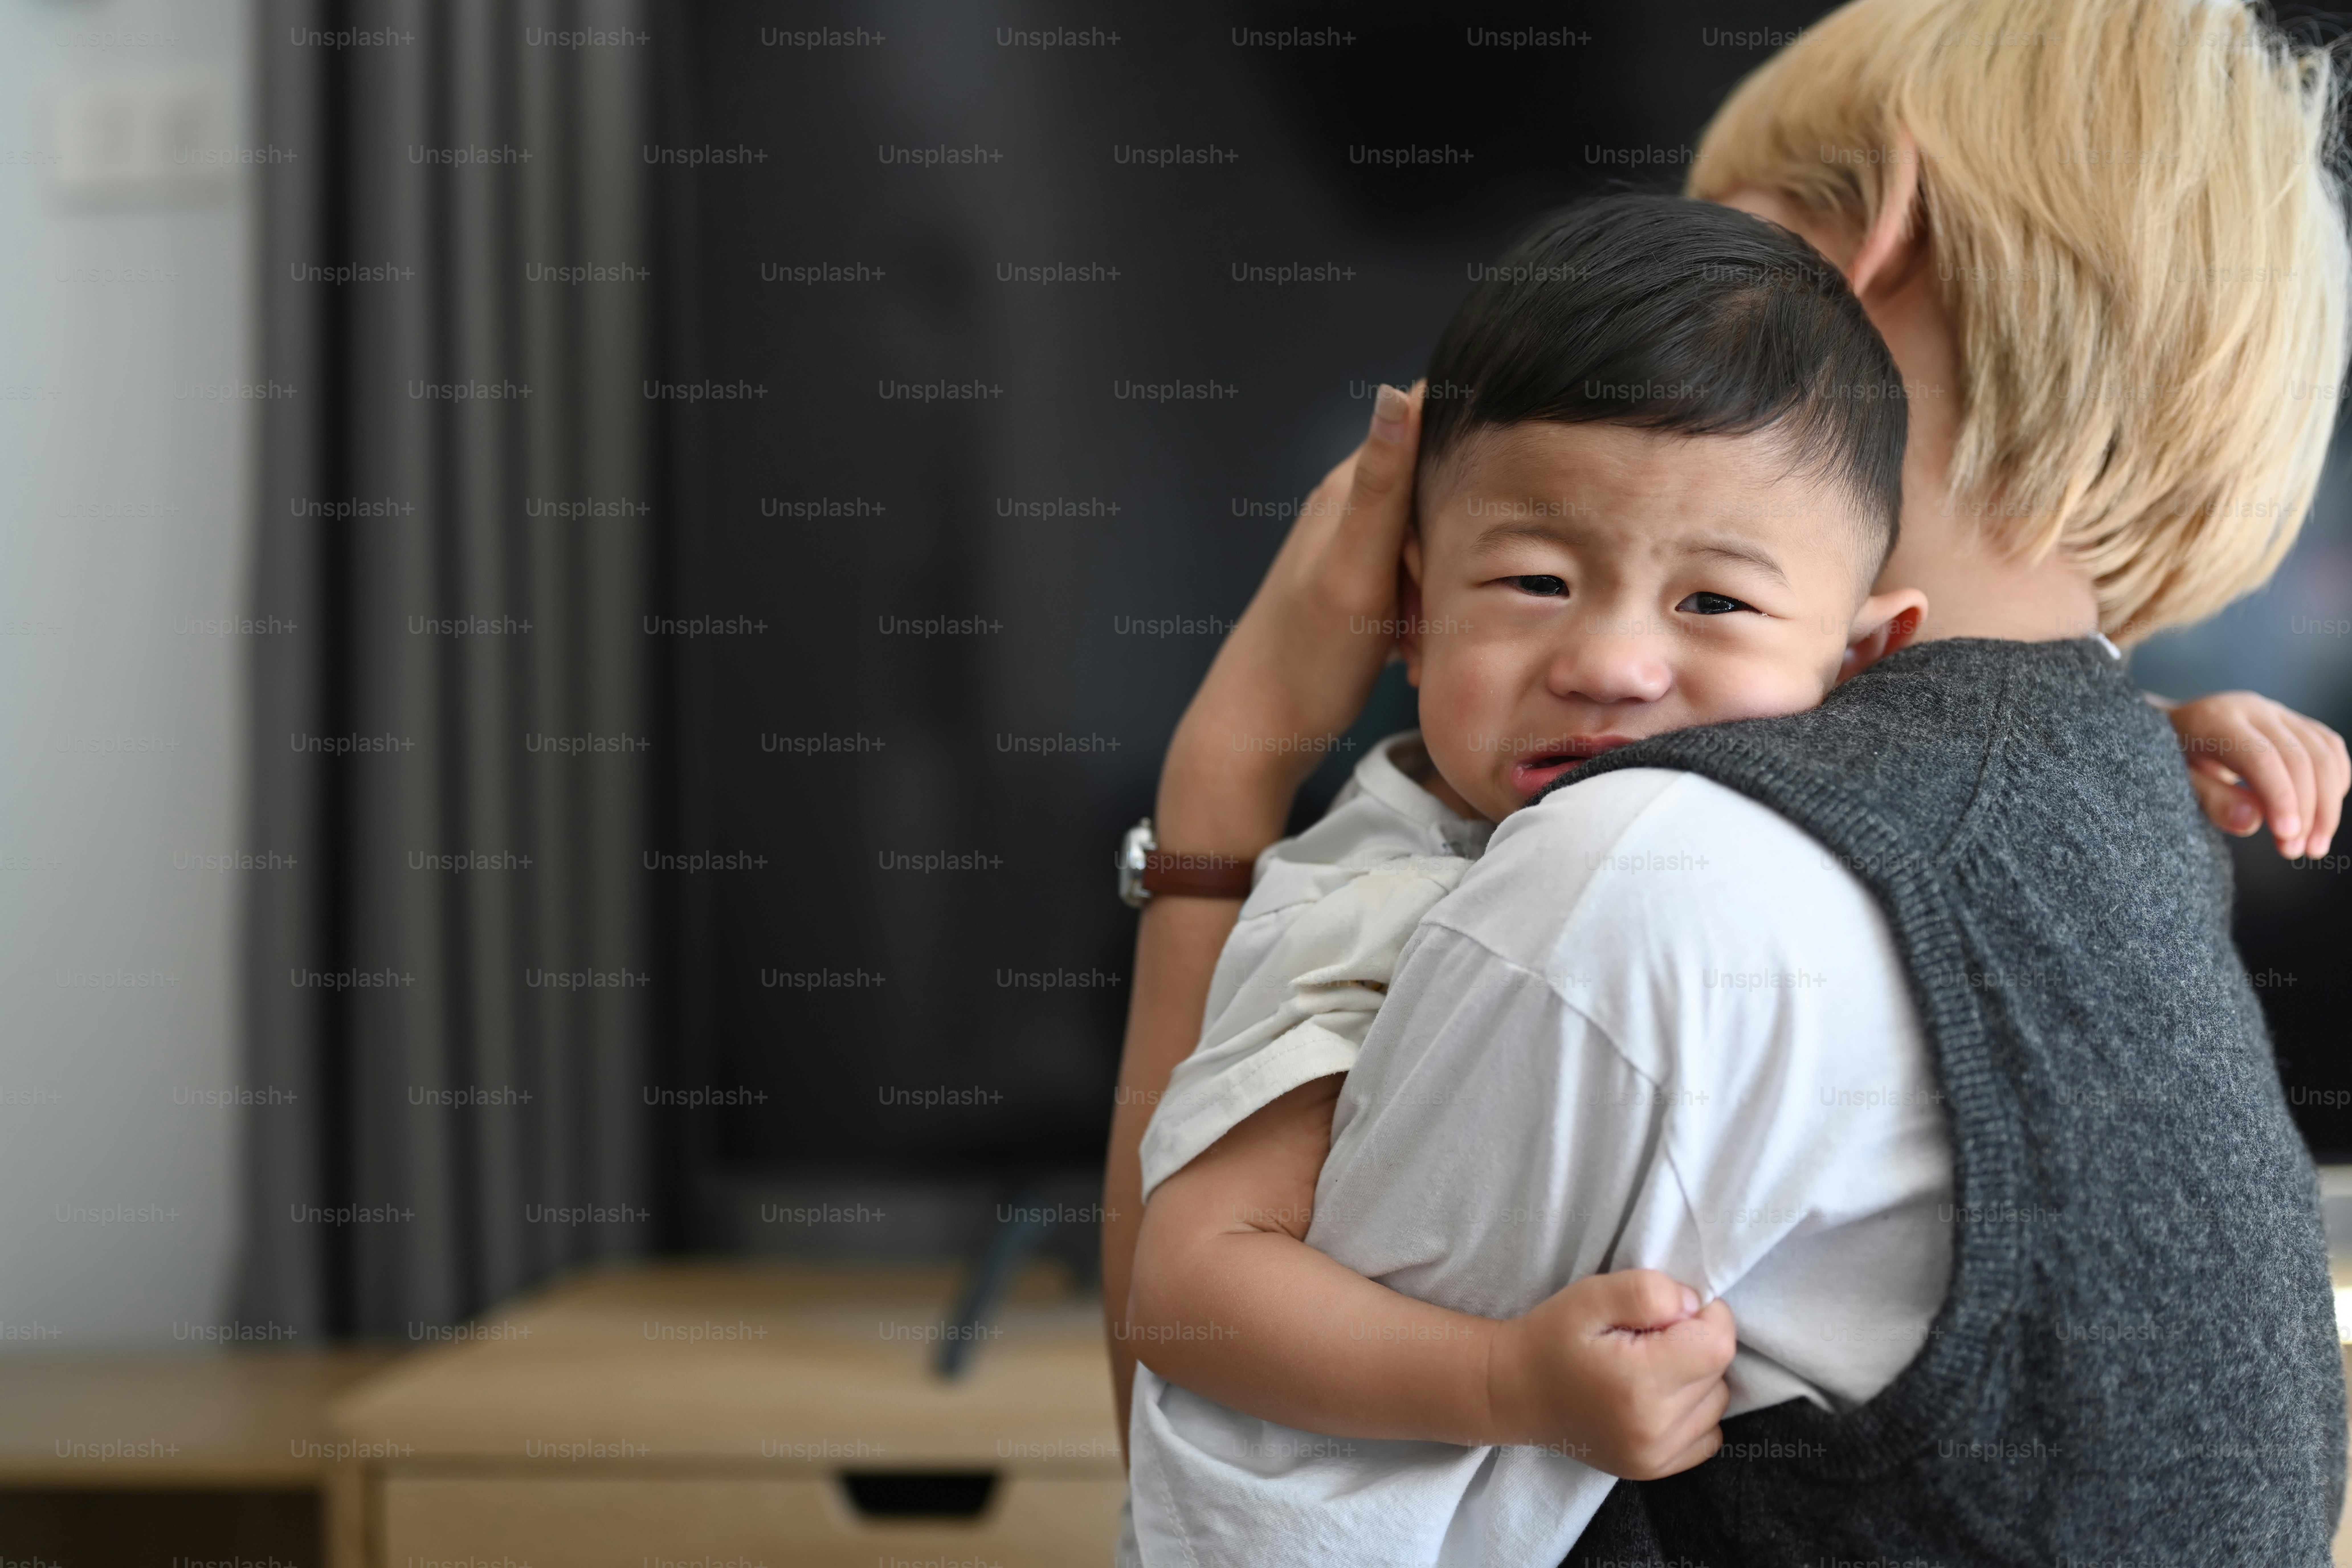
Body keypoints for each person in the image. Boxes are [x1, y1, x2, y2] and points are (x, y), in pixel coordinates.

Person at [1102, 0, 2352, 1560]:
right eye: (1541, 577)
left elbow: (1237, 1506)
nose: (1618, 667)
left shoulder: (1654, 870)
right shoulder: (2105, 774)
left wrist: (1224, 788)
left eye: (1713, 232)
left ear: (1858, 243)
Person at [1121, 192, 1932, 1566]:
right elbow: (1187, 1283)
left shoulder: (1773, 820)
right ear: (1414, 619)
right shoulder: (1372, 905)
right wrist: (1509, 1382)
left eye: (1714, 603)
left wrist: (2160, 737)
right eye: (1538, 580)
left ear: (1863, 666)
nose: (1611, 662)